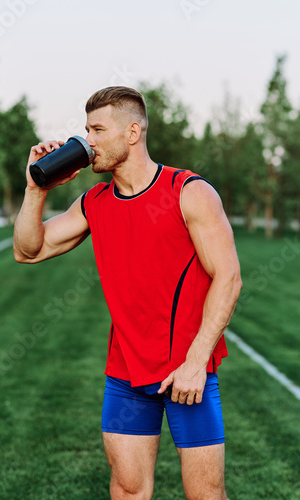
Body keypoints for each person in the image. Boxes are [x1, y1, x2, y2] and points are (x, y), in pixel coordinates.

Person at [13, 86, 242, 500]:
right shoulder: (94, 202)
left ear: (132, 133)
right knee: (127, 489)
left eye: (97, 130)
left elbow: (228, 277)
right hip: (125, 373)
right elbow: (28, 250)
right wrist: (35, 189)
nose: (87, 141)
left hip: (186, 372)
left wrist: (195, 362)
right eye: (86, 129)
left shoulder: (188, 191)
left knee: (205, 494)